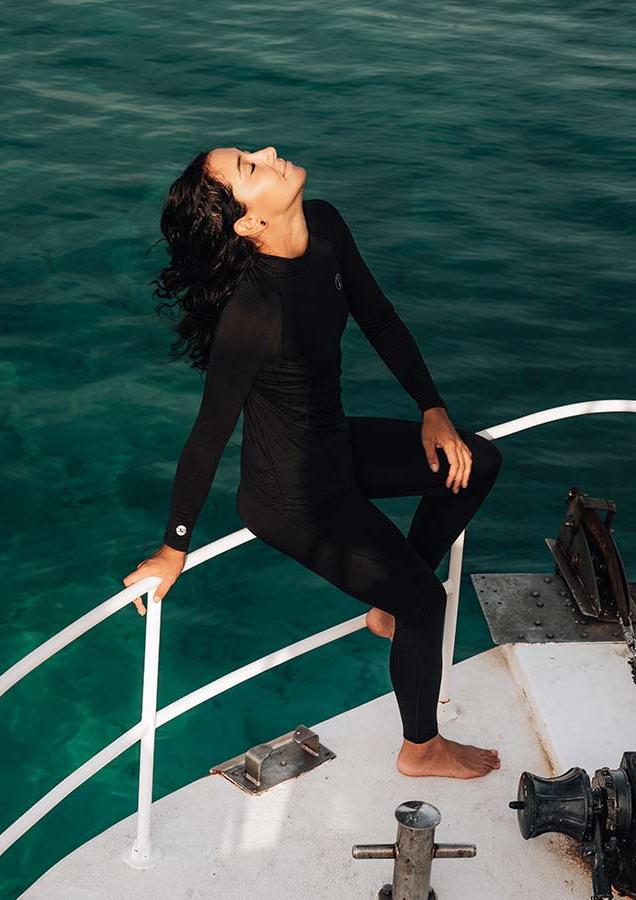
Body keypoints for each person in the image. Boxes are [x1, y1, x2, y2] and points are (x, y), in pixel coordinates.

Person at [123, 146, 504, 779]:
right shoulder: (253, 314)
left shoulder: (324, 224)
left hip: (334, 447)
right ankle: (421, 749)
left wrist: (431, 408)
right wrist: (174, 547)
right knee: (426, 603)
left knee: (478, 463)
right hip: (290, 498)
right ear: (250, 222)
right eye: (250, 167)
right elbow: (209, 434)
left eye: (250, 153)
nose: (268, 153)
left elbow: (378, 316)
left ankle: (389, 603)